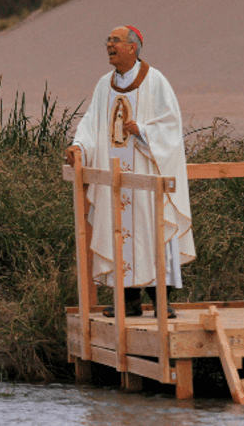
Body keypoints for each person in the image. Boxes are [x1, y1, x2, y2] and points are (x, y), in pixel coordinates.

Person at [64, 26, 195, 318]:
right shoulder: (103, 85)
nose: (109, 45)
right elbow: (90, 124)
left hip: (146, 174)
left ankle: (162, 301)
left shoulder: (156, 81)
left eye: (115, 41)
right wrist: (78, 147)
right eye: (108, 41)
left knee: (154, 233)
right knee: (118, 234)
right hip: (115, 177)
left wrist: (144, 131)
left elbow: (172, 125)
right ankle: (129, 301)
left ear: (132, 47)